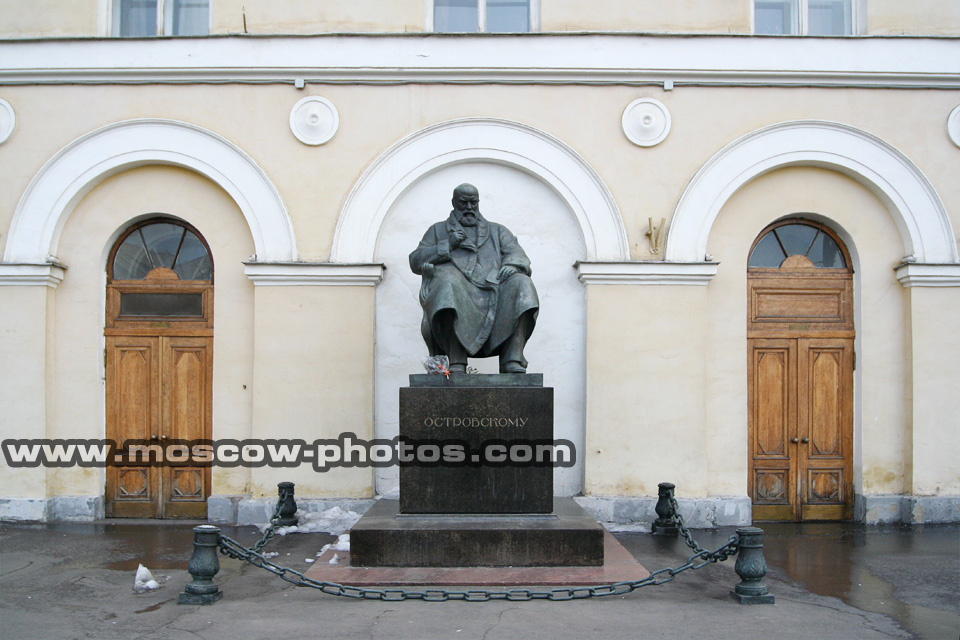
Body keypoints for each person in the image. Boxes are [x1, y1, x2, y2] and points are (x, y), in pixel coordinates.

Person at [409, 183, 539, 373]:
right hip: (457, 287)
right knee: (447, 283)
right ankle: (456, 360)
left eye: (473, 203)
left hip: (496, 287)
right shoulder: (438, 230)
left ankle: (512, 358)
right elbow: (416, 260)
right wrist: (448, 245)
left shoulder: (497, 231)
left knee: (522, 284)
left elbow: (517, 254)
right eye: (463, 203)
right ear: (454, 203)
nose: (469, 208)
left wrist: (512, 265)